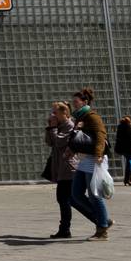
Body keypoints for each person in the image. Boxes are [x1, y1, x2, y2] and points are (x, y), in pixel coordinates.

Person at [68, 87, 112, 240]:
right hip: (84, 159)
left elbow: (101, 135)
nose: (74, 105)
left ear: (84, 102)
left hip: (94, 159)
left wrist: (99, 154)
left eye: (76, 102)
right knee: (75, 195)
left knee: (94, 195)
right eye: (73, 102)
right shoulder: (79, 118)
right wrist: (70, 150)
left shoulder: (92, 116)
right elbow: (79, 139)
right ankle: (103, 219)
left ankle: (102, 230)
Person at [44, 101, 78, 239]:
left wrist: (52, 128)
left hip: (68, 168)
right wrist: (50, 128)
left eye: (55, 112)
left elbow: (59, 143)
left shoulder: (69, 126)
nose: (53, 115)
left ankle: (65, 229)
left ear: (64, 113)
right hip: (61, 167)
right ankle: (65, 229)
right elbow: (49, 142)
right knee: (68, 199)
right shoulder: (58, 126)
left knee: (65, 199)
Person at [115, 116, 131, 186]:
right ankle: (128, 180)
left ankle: (130, 179)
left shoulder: (120, 126)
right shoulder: (127, 127)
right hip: (128, 149)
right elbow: (130, 140)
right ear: (128, 121)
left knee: (129, 164)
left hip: (122, 148)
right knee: (129, 164)